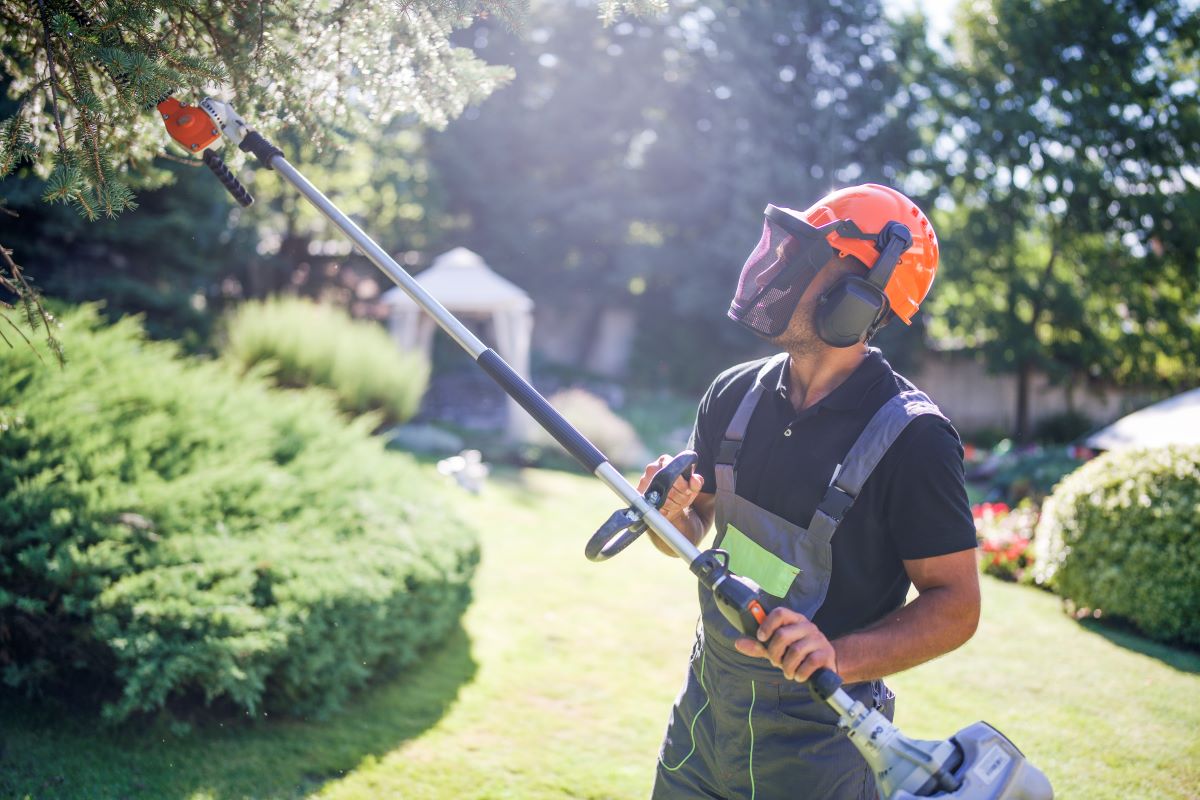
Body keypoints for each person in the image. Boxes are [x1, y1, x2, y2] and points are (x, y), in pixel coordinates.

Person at [641, 184, 980, 800]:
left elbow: (957, 605)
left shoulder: (915, 439)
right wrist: (670, 520)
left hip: (821, 747)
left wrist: (838, 655)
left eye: (804, 258)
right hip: (704, 714)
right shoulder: (732, 394)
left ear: (858, 296)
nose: (776, 270)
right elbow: (696, 534)